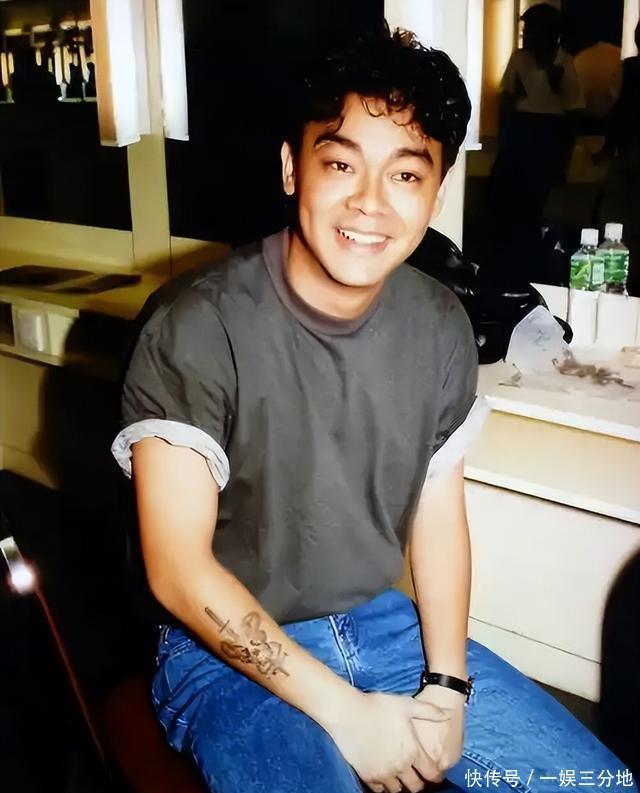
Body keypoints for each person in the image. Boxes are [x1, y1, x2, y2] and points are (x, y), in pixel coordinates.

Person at [111, 25, 636, 793]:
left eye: (406, 174)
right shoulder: (197, 326)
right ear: (291, 167)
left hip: (380, 627)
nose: (369, 203)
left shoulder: (440, 324)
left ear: (437, 191)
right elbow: (178, 570)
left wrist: (447, 685)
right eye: (340, 163)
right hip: (218, 650)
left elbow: (438, 517)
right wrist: (347, 714)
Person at [488, 3, 584, 284]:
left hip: (548, 135)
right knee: (506, 199)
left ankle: (534, 267)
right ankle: (507, 263)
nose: (527, 36)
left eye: (531, 31)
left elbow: (573, 111)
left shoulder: (563, 62)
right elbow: (506, 102)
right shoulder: (520, 59)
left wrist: (564, 157)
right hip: (521, 131)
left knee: (537, 205)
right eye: (525, 31)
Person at [596, 21, 640, 296]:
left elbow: (618, 110)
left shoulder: (629, 69)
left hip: (627, 150)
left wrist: (606, 147)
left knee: (618, 218)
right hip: (630, 151)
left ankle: (623, 278)